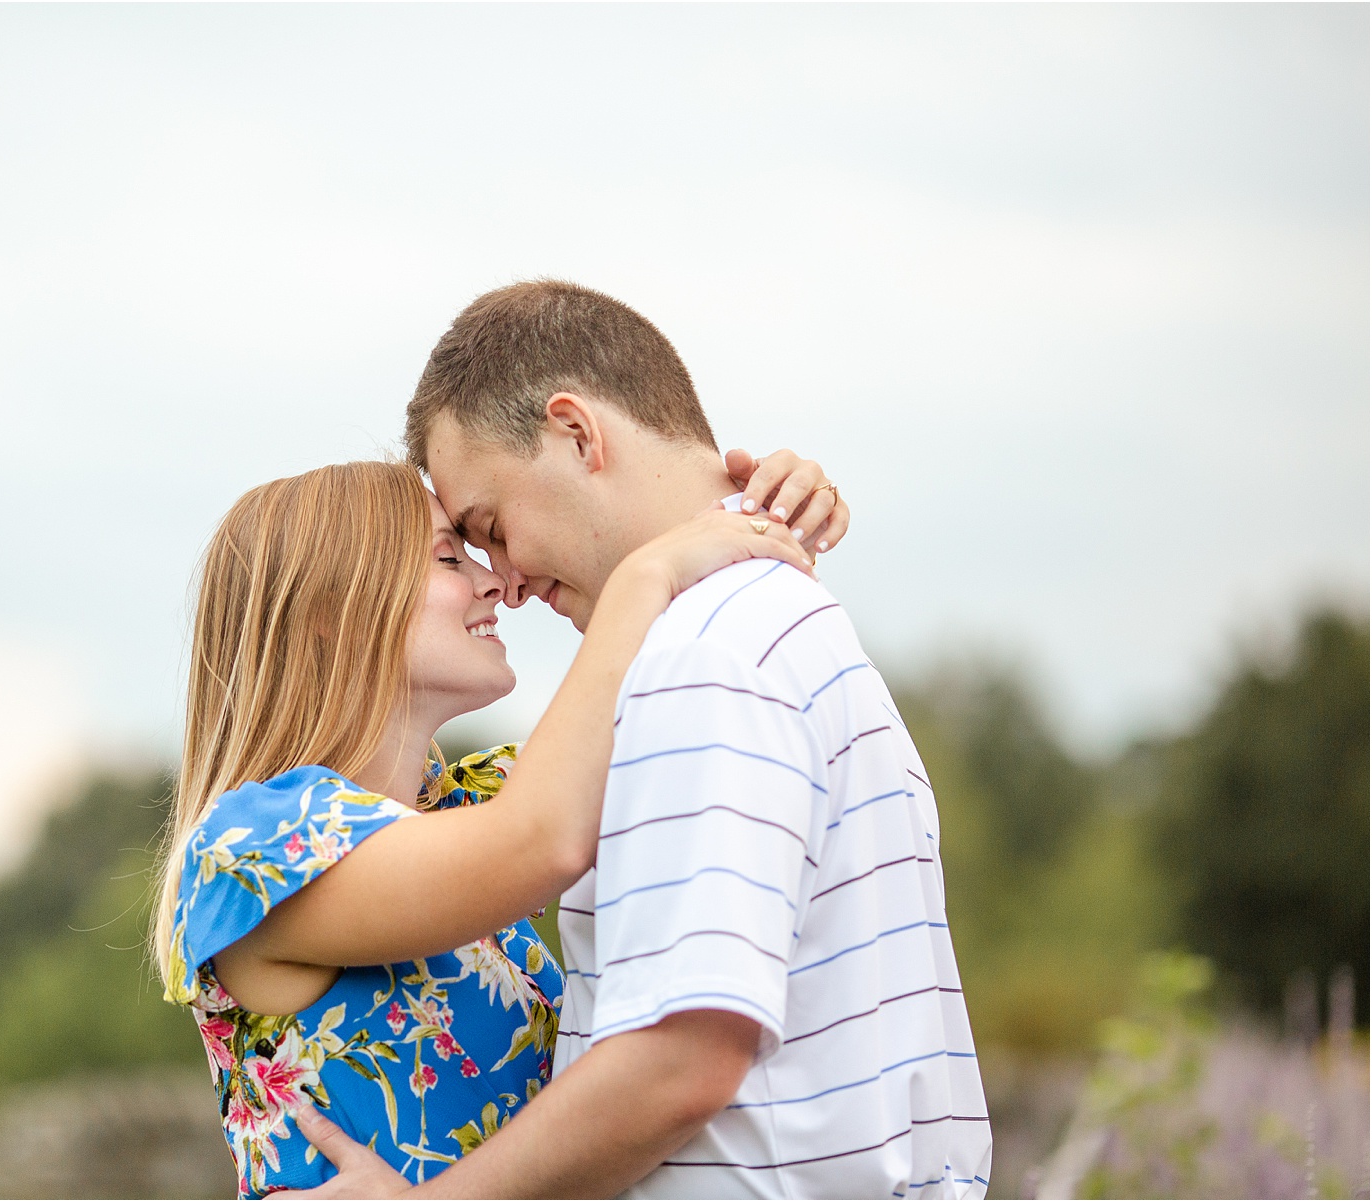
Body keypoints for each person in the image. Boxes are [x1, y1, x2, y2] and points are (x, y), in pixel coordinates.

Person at [288, 280, 991, 1199]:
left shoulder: (700, 658)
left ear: (579, 435)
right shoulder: (773, 623)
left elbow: (680, 1063)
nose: (506, 582)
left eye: (490, 529)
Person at [153, 451, 847, 1197]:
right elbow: (541, 840)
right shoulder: (250, 847)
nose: (495, 583)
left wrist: (757, 508)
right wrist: (643, 578)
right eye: (451, 557)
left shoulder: (468, 804)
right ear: (330, 612)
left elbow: (685, 745)